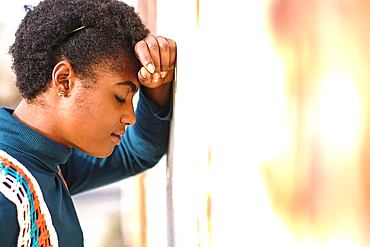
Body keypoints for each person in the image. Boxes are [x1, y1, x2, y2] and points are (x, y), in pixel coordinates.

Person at [0, 0, 176, 246]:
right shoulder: (8, 191)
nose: (130, 117)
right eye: (120, 97)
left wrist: (158, 83)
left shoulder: (49, 161)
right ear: (64, 80)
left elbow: (137, 152)